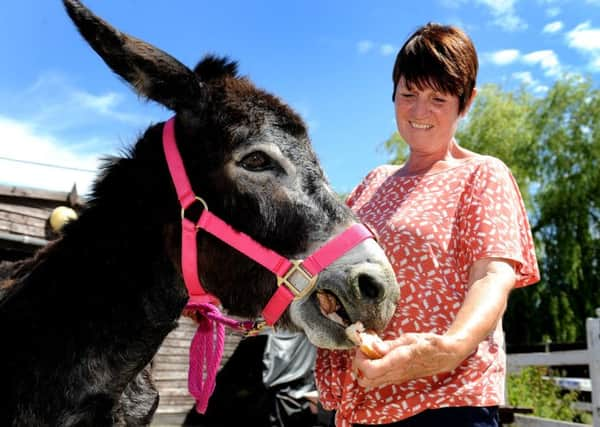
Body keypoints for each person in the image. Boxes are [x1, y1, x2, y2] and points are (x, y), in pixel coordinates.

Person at [315, 23, 540, 427]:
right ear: (393, 93)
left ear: (465, 102)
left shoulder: (482, 174)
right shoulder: (372, 183)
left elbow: (491, 276)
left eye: (438, 98)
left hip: (446, 405)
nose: (420, 111)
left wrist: (449, 348)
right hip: (361, 406)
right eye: (409, 94)